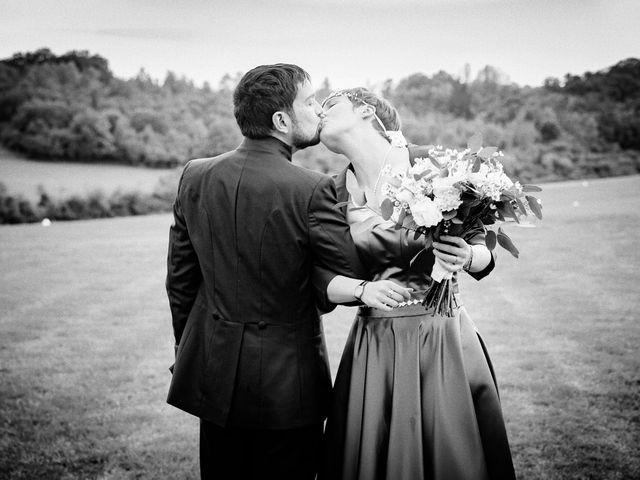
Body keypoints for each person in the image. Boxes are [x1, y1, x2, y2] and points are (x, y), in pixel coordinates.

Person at [165, 65, 411, 480]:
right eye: (309, 102)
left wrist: (186, 351)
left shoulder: (195, 175)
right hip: (288, 386)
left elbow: (181, 281)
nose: (317, 110)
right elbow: (344, 272)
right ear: (281, 121)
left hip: (214, 375)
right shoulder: (314, 188)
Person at [318, 88, 516, 480]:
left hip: (441, 334)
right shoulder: (331, 191)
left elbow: (483, 253)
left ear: (364, 110)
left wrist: (466, 255)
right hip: (374, 343)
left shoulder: (433, 164)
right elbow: (322, 276)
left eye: (329, 105)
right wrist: (361, 289)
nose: (318, 113)